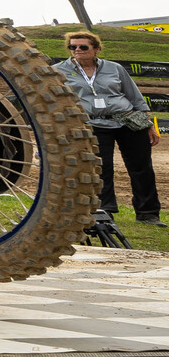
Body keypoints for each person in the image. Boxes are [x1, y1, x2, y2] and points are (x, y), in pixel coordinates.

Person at [58, 31, 158, 225]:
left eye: (83, 47)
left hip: (127, 120)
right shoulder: (59, 70)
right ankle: (105, 211)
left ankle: (148, 213)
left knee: (141, 167)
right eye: (73, 47)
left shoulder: (114, 68)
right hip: (92, 123)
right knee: (101, 168)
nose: (77, 50)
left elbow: (134, 96)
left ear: (96, 49)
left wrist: (148, 125)